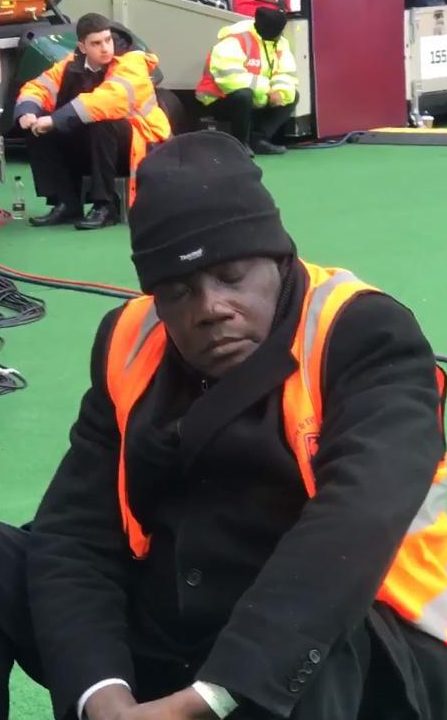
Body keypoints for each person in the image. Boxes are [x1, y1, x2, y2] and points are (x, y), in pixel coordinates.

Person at [1, 130, 447, 720]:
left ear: (280, 259)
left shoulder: (364, 333)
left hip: (340, 647)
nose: (209, 307)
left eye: (232, 276)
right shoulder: (128, 339)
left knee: (315, 637)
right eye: (178, 290)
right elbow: (74, 530)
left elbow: (352, 525)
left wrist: (213, 696)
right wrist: (99, 693)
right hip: (176, 629)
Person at [14, 13, 171, 230]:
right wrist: (27, 112)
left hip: (142, 142)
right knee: (37, 128)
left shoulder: (132, 62)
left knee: (100, 122)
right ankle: (65, 203)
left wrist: (55, 119)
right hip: (99, 145)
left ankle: (105, 206)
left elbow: (107, 100)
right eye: (96, 43)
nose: (106, 47)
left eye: (108, 40)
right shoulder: (70, 64)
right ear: (82, 46)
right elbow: (38, 87)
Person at [196, 8, 298, 155]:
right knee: (244, 95)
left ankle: (259, 140)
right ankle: (240, 144)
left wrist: (279, 91)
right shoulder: (234, 40)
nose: (281, 35)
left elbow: (286, 73)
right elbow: (230, 79)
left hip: (256, 95)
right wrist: (268, 91)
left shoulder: (280, 43)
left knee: (292, 95)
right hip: (217, 98)